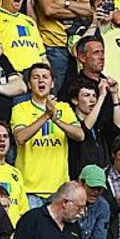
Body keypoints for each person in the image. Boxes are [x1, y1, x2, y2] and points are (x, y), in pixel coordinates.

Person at [12, 63, 83, 208]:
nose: (41, 81)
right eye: (36, 77)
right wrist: (46, 115)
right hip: (29, 189)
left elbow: (80, 135)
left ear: (52, 83)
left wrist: (56, 120)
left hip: (59, 189)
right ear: (29, 85)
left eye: (45, 77)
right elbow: (20, 138)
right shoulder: (20, 109)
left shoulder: (64, 108)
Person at [13, 180, 87, 239]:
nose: (82, 213)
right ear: (65, 203)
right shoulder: (31, 220)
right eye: (79, 207)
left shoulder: (75, 226)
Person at [77, 164, 111, 239]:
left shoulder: (103, 206)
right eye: (92, 187)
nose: (96, 192)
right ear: (80, 183)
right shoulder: (64, 201)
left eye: (99, 188)